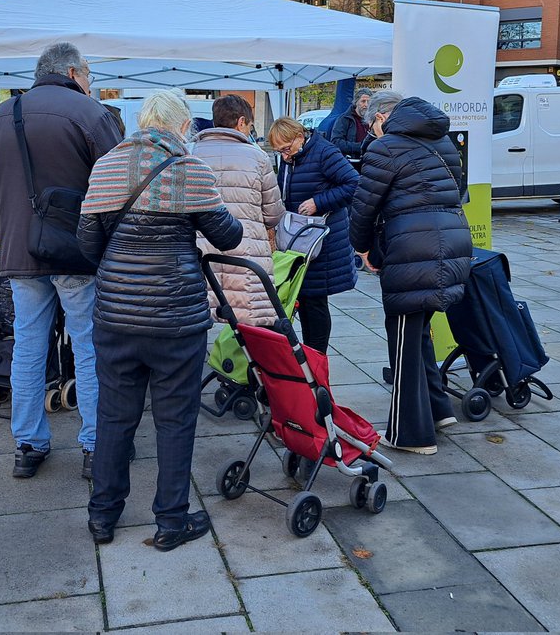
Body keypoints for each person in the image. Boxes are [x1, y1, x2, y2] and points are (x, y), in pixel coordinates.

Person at [78, 90, 242, 552]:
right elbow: (227, 236)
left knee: (114, 416)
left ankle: (102, 516)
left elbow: (88, 244)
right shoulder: (190, 170)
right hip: (176, 320)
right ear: (181, 125)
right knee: (175, 420)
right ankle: (171, 520)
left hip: (116, 316)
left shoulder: (108, 165)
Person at [0, 42, 121, 481]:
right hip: (80, 254)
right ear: (72, 72)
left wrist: (10, 229)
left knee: (28, 348)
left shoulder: (1, 115)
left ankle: (28, 444)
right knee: (89, 349)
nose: (90, 83)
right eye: (89, 74)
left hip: (20, 255)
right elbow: (120, 186)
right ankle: (94, 446)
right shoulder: (92, 116)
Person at [349, 90, 473, 455]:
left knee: (402, 339)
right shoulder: (442, 141)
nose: (372, 131)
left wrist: (363, 247)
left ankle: (411, 434)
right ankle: (438, 410)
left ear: (383, 117)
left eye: (372, 124)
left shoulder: (385, 148)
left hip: (413, 250)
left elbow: (364, 205)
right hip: (451, 243)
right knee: (419, 334)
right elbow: (458, 191)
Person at [266, 116, 359, 354]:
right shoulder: (292, 156)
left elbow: (354, 183)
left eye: (286, 149)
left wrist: (319, 202)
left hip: (322, 243)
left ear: (300, 137)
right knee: (305, 300)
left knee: (315, 302)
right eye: (279, 152)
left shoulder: (325, 152)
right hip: (302, 239)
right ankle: (309, 356)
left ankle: (317, 358)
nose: (285, 156)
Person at [192, 95, 285, 327]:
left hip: (199, 249)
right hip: (245, 251)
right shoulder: (258, 157)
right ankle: (250, 363)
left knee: (198, 313)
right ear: (241, 121)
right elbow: (273, 212)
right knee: (250, 318)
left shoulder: (190, 153)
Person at [329, 87, 373, 161]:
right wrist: (359, 147)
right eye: (363, 101)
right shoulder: (344, 119)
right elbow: (336, 142)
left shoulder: (373, 119)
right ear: (356, 102)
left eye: (369, 102)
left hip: (370, 160)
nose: (366, 105)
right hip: (351, 162)